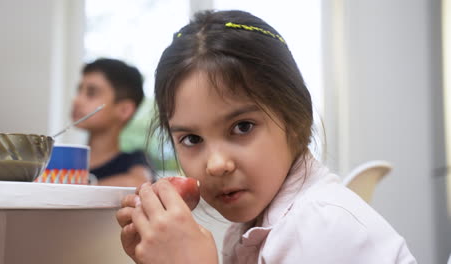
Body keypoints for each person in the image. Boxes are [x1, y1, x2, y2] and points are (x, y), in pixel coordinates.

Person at [116, 10, 417, 263]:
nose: (216, 164)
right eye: (192, 139)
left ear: (296, 119)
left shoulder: (318, 225)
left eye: (242, 127)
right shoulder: (248, 230)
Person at [72, 58, 153, 187]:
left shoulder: (133, 162)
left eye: (91, 93)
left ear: (124, 110)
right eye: (79, 90)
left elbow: (139, 184)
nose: (77, 100)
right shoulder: (67, 161)